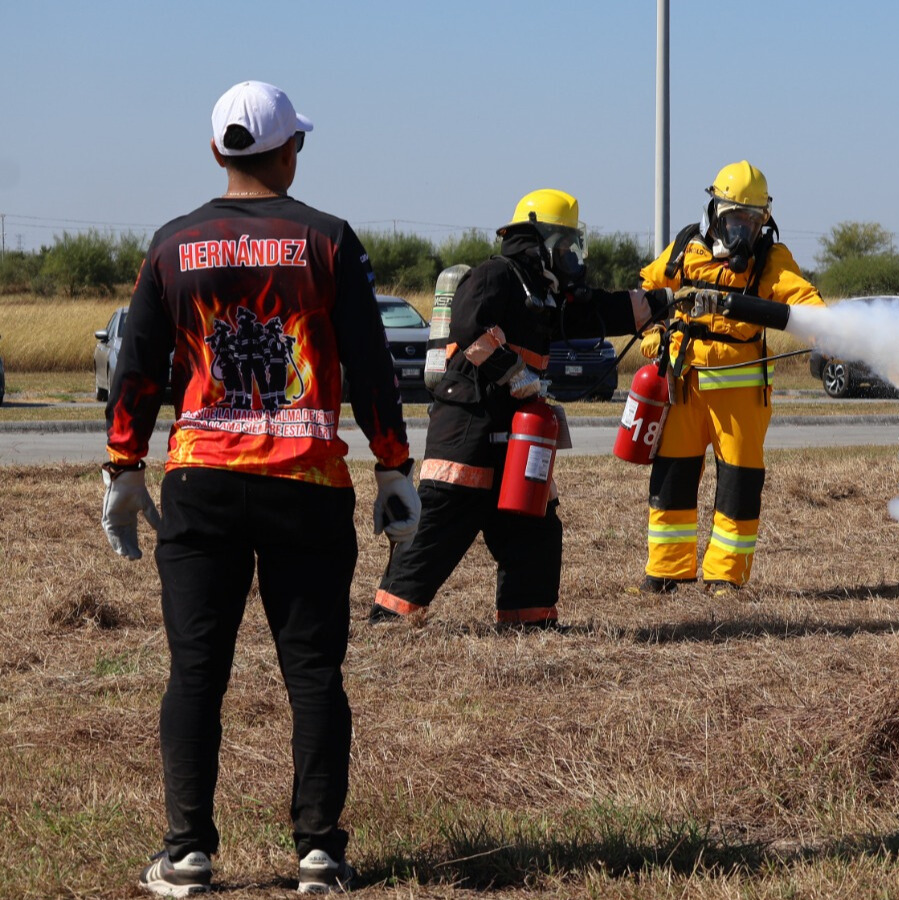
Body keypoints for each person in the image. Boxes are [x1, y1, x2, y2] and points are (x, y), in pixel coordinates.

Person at [100, 80, 420, 897]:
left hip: (203, 482)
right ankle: (319, 853)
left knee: (195, 670)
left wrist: (124, 466)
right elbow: (370, 363)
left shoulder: (174, 245)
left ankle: (186, 854)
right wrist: (392, 464)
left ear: (216, 152)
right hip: (307, 485)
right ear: (289, 153)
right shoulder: (328, 240)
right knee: (313, 671)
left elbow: (136, 366)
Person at [370, 189, 674, 629]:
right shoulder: (496, 275)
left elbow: (596, 313)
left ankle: (527, 621)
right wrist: (513, 372)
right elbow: (470, 326)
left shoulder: (543, 293)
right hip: (467, 434)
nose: (569, 254)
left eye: (573, 244)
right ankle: (389, 618)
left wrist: (663, 305)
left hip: (515, 439)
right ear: (536, 239)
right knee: (437, 530)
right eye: (562, 243)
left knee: (536, 531)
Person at [636, 160, 824, 594]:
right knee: (672, 477)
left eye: (752, 220)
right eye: (735, 219)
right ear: (715, 211)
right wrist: (653, 335)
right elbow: (648, 292)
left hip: (739, 394)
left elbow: (802, 299)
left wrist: (828, 329)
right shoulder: (686, 246)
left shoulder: (770, 259)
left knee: (738, 485)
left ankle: (724, 577)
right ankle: (665, 571)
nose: (743, 230)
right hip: (683, 385)